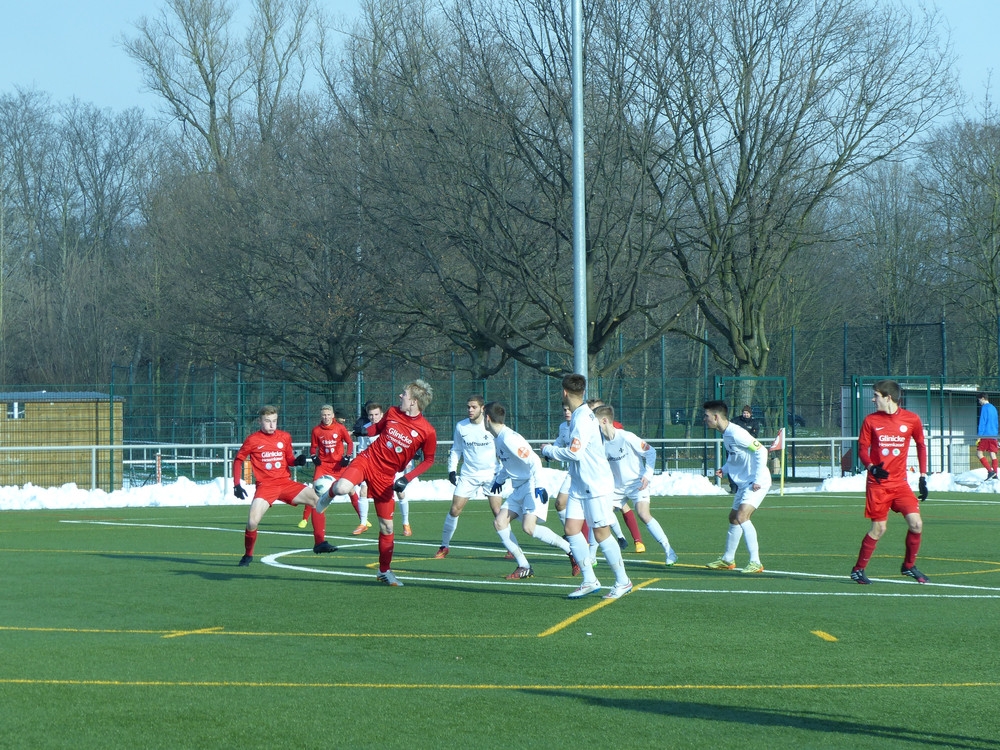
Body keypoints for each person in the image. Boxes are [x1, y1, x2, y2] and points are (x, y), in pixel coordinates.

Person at [317, 380, 438, 586]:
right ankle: (327, 494)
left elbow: (429, 460)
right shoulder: (392, 412)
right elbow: (377, 429)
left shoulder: (427, 431)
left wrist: (406, 479)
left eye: (404, 394)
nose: (400, 396)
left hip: (386, 477)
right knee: (342, 487)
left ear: (414, 402)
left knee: (387, 528)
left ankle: (384, 571)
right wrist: (364, 431)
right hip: (368, 460)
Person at [541, 374, 632, 600]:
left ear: (564, 393)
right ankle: (589, 580)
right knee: (572, 530)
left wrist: (548, 451)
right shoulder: (580, 416)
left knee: (601, 534)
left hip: (596, 485)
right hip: (580, 485)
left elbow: (575, 453)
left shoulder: (582, 418)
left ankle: (623, 581)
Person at [485, 401, 579, 579]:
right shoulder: (498, 438)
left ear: (487, 418)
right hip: (519, 487)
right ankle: (524, 566)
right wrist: (499, 480)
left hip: (531, 485)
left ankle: (571, 550)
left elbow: (534, 460)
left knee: (529, 528)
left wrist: (540, 485)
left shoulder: (509, 438)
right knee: (499, 522)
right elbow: (509, 464)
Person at [850, 380, 929, 584]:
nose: (873, 399)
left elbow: (921, 445)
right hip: (878, 484)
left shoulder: (911, 419)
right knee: (879, 529)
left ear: (888, 397)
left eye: (876, 395)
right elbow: (862, 449)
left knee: (916, 524)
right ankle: (858, 569)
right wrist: (871, 467)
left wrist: (923, 476)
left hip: (900, 484)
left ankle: (909, 566)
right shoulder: (870, 420)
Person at [233, 405, 333, 566]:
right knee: (252, 522)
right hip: (266, 487)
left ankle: (319, 543)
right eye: (267, 421)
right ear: (260, 421)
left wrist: (296, 461)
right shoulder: (253, 440)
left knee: (317, 500)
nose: (272, 425)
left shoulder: (284, 437)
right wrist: (237, 484)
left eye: (274, 421)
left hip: (285, 483)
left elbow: (288, 459)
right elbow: (238, 460)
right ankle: (248, 554)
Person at [594, 405, 678, 567]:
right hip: (617, 488)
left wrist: (647, 475)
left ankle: (669, 551)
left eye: (595, 422)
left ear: (604, 421)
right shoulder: (600, 443)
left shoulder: (626, 437)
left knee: (643, 514)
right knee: (600, 517)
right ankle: (591, 556)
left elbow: (651, 452)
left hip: (637, 484)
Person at [703, 400, 770, 573]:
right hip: (746, 481)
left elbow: (761, 450)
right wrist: (724, 469)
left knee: (742, 516)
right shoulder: (726, 434)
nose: (705, 419)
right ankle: (727, 559)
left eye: (707, 416)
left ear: (716, 417)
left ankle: (756, 562)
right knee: (734, 518)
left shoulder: (736, 433)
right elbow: (735, 456)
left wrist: (757, 479)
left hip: (757, 481)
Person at [435, 395, 504, 558]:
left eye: (473, 407)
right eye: (468, 407)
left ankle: (510, 547)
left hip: (491, 474)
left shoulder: (491, 426)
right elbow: (456, 449)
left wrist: (503, 471)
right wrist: (452, 469)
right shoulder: (461, 426)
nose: (470, 410)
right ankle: (444, 546)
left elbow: (502, 448)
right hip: (468, 475)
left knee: (497, 511)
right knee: (454, 509)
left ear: (482, 408)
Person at [586, 398, 643, 552]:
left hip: (617, 480)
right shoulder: (589, 427)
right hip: (604, 476)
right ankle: (621, 539)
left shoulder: (615, 429)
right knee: (600, 511)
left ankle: (635, 540)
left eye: (595, 410)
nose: (592, 414)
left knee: (610, 510)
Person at [298, 405, 356, 539]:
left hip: (338, 465)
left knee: (351, 489)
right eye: (324, 415)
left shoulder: (340, 428)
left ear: (333, 415)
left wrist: (347, 456)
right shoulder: (316, 430)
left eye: (328, 414)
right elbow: (313, 447)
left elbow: (350, 443)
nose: (326, 417)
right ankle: (305, 519)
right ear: (321, 416)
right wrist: (313, 456)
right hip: (323, 465)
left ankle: (363, 519)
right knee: (314, 491)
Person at [349, 401, 383, 535]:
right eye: (371, 415)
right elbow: (362, 448)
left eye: (376, 415)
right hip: (370, 465)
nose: (374, 418)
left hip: (386, 466)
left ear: (382, 414)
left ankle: (405, 523)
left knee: (399, 493)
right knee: (363, 491)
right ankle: (363, 523)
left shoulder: (387, 428)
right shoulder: (366, 429)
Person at [729, 405, 758, 493]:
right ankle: (733, 487)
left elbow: (755, 434)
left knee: (747, 467)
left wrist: (745, 440)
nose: (745, 415)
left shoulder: (754, 422)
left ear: (750, 414)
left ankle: (746, 485)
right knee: (733, 467)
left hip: (748, 448)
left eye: (747, 413)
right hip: (735, 448)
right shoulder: (735, 421)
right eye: (744, 413)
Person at [975, 392, 998, 481]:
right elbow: (996, 422)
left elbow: (982, 422)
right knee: (993, 454)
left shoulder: (984, 408)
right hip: (993, 435)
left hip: (985, 435)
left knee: (979, 453)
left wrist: (979, 436)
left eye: (979, 400)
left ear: (983, 398)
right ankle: (995, 474)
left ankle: (990, 471)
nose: (979, 401)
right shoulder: (994, 408)